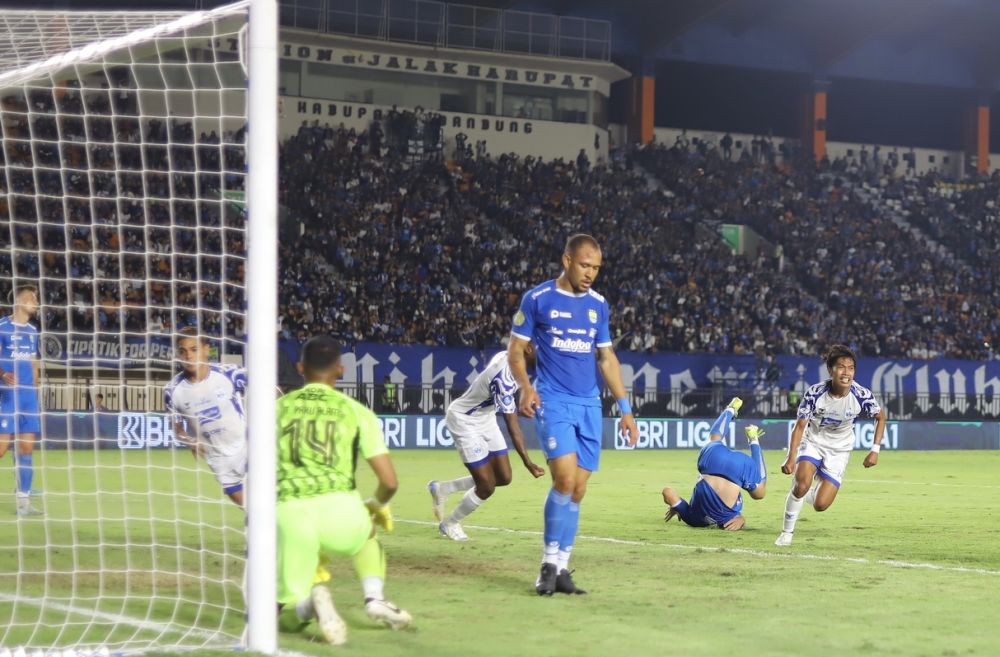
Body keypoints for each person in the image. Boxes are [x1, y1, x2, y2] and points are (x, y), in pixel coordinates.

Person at [508, 233, 638, 596]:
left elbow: (606, 358)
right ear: (566, 260)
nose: (590, 273)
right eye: (585, 265)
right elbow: (516, 350)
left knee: (578, 490)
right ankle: (547, 564)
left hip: (589, 406)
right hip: (554, 400)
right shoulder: (538, 299)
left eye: (596, 268)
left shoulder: (598, 305)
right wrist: (526, 387)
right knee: (564, 480)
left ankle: (563, 568)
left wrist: (625, 410)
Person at [276, 336, 411, 646]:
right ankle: (374, 598)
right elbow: (390, 481)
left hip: (292, 513)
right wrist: (376, 505)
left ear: (300, 368)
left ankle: (310, 603)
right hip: (342, 509)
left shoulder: (278, 408)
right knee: (368, 535)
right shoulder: (357, 412)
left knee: (277, 614)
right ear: (340, 369)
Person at [428, 347, 546, 541]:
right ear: (527, 349)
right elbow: (512, 424)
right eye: (541, 352)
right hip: (464, 420)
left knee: (504, 477)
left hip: (485, 417)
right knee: (486, 486)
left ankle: (443, 488)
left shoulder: (511, 357)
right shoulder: (503, 378)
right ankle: (450, 523)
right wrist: (527, 461)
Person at [774, 344, 886, 547]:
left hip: (840, 450)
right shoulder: (815, 393)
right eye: (841, 367)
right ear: (831, 370)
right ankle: (786, 533)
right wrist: (790, 458)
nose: (846, 372)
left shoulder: (861, 395)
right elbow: (800, 427)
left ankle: (806, 491)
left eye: (851, 367)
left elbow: (880, 416)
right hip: (814, 442)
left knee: (821, 505)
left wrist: (874, 450)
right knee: (799, 486)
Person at [163, 327, 248, 507]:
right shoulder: (172, 391)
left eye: (194, 349)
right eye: (183, 351)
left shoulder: (230, 374)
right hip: (217, 458)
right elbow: (177, 428)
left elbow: (271, 389)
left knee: (271, 506)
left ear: (206, 350)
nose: (189, 356)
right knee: (249, 510)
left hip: (248, 447)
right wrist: (189, 440)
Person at [661, 398, 767, 530]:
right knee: (714, 438)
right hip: (712, 463)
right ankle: (730, 410)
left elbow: (735, 519)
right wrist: (675, 506)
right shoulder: (692, 519)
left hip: (738, 467)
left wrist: (741, 519)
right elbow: (667, 492)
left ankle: (753, 438)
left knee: (759, 492)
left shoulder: (725, 521)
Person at [0, 284, 43, 516]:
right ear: (19, 301)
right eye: (31, 297)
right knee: (2, 449)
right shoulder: (2, 327)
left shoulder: (33, 330)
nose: (35, 301)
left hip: (27, 397)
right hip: (7, 395)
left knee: (26, 449)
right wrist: (3, 374)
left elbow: (33, 362)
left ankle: (23, 504)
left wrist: (34, 387)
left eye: (36, 298)